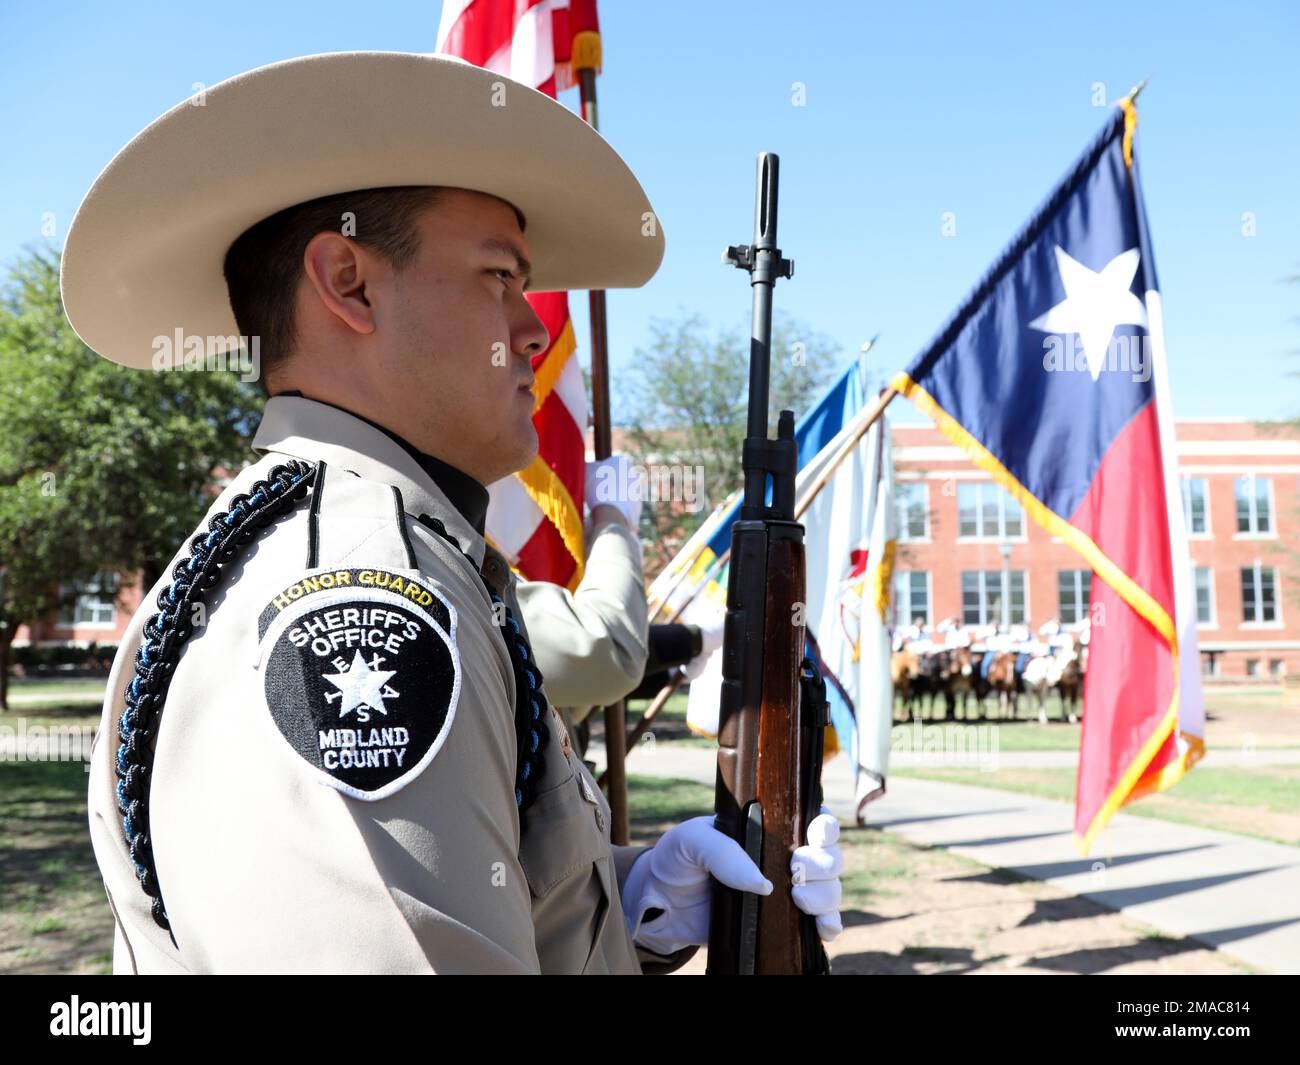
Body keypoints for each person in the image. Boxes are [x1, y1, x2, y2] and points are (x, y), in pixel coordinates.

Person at [65, 51, 843, 974]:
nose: (535, 327)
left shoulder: (377, 542)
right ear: (348, 283)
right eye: (499, 276)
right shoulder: (358, 591)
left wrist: (632, 900)